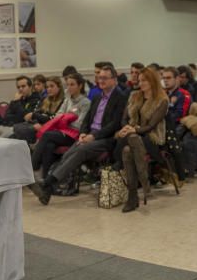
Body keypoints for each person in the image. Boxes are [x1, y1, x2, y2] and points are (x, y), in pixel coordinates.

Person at [29, 65, 129, 205]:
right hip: (89, 135)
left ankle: (47, 183)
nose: (101, 80)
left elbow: (115, 124)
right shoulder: (97, 97)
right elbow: (87, 120)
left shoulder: (121, 97)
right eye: (99, 78)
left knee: (81, 150)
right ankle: (48, 189)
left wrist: (93, 136)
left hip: (107, 138)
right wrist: (82, 133)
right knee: (68, 153)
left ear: (114, 80)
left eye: (105, 78)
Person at [114, 67, 168, 213]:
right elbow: (124, 118)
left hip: (152, 139)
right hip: (133, 137)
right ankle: (143, 186)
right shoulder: (134, 96)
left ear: (152, 81)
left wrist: (134, 130)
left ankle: (133, 195)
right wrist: (127, 127)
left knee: (128, 146)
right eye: (139, 80)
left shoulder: (162, 100)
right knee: (129, 146)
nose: (140, 82)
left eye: (144, 80)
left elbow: (151, 126)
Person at [30, 74, 91, 180]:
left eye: (72, 84)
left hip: (74, 134)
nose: (69, 87)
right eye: (67, 85)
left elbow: (80, 124)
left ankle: (32, 167)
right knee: (49, 145)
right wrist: (66, 118)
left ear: (80, 86)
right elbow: (58, 115)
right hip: (62, 131)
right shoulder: (67, 100)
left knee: (47, 134)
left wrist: (64, 119)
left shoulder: (85, 102)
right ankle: (46, 179)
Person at [13, 76, 65, 144]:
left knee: (21, 131)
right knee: (14, 131)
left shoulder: (63, 101)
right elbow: (38, 113)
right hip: (40, 123)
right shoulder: (45, 100)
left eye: (52, 86)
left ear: (59, 87)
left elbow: (54, 118)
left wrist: (35, 115)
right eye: (47, 87)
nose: (49, 89)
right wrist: (36, 116)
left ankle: (30, 150)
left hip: (52, 127)